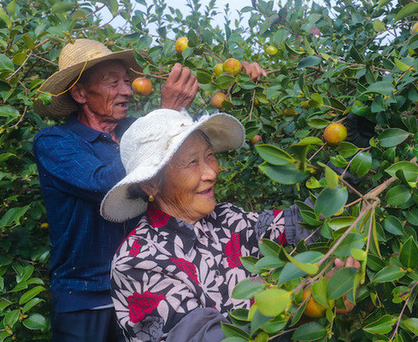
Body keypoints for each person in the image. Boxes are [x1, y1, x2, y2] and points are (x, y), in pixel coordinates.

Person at [33, 38, 265, 342]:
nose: (127, 90)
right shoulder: (55, 142)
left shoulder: (134, 130)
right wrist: (165, 113)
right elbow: (104, 183)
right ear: (79, 93)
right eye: (113, 83)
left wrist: (236, 83)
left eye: (127, 81)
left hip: (150, 286)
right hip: (90, 298)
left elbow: (190, 147)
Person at [99, 109, 316, 342]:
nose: (211, 172)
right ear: (151, 184)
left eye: (210, 155)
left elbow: (298, 226)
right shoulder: (138, 260)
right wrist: (300, 308)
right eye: (192, 162)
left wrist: (350, 172)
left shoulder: (227, 219)